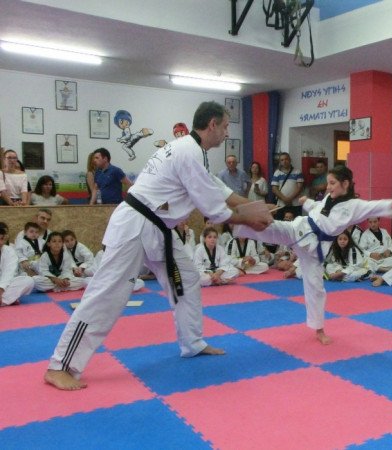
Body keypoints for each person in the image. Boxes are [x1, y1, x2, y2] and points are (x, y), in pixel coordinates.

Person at [44, 101, 273, 391]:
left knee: (187, 278)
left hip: (157, 228)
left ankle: (192, 343)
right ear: (212, 124)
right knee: (107, 294)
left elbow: (217, 188)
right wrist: (249, 218)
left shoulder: (191, 150)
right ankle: (60, 365)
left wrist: (256, 206)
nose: (227, 133)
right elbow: (214, 210)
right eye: (226, 126)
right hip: (136, 225)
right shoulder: (189, 151)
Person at [234, 165, 392, 344]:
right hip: (299, 228)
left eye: (332, 183)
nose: (328, 187)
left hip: (314, 249)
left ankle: (319, 329)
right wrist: (307, 202)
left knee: (315, 287)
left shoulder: (354, 205)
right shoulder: (329, 197)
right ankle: (236, 222)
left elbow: (373, 207)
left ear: (345, 184)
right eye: (328, 183)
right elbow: (319, 209)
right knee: (269, 227)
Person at [0, 223, 35, 306]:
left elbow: (8, 274)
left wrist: (0, 290)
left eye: (1, 238)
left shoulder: (9, 251)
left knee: (28, 281)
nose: (0, 242)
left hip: (3, 285)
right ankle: (8, 300)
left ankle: (4, 300)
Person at [271, 152, 304, 219]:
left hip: (295, 204)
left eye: (286, 159)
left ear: (290, 160)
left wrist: (290, 199)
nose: (284, 161)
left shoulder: (297, 172)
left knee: (296, 223)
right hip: (281, 204)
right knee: (280, 223)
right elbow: (274, 189)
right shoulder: (277, 173)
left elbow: (300, 187)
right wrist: (284, 199)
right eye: (282, 160)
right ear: (280, 162)